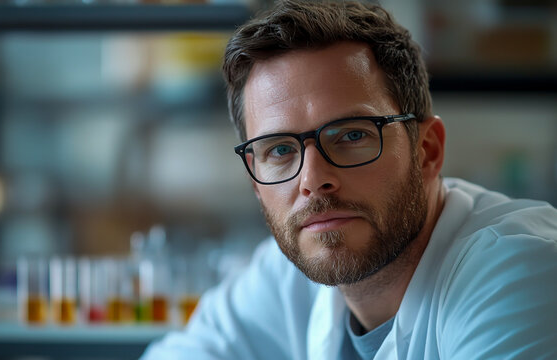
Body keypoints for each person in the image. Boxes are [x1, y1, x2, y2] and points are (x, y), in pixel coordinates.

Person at [141, 0, 557, 359]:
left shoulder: (518, 271)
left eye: (353, 135)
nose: (313, 180)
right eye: (280, 150)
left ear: (427, 150)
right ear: (255, 183)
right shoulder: (288, 276)